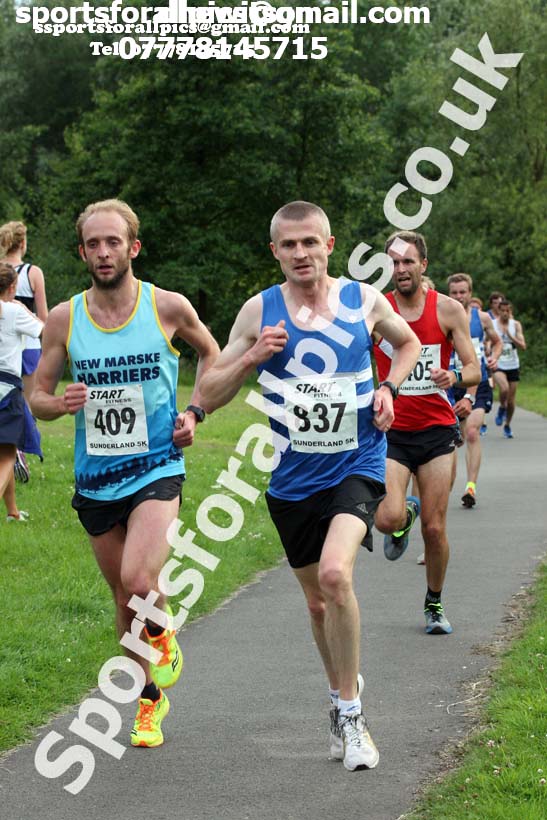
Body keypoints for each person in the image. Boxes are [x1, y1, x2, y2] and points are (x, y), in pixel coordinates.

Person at [199, 201, 421, 772]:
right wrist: (252, 356)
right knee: (318, 603)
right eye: (289, 245)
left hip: (359, 463)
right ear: (274, 251)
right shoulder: (259, 311)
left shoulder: (363, 299)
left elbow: (408, 344)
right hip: (293, 480)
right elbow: (211, 388)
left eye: (310, 243)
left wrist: (390, 389)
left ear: (329, 244)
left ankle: (352, 714)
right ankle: (338, 694)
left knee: (334, 574)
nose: (301, 253)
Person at [30, 199, 219, 748]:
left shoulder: (167, 306)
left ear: (133, 247)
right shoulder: (66, 317)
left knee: (140, 583)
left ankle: (165, 635)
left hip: (157, 466)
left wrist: (194, 412)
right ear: (82, 252)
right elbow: (35, 395)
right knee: (122, 597)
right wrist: (57, 403)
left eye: (113, 242)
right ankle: (148, 702)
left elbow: (213, 355)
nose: (104, 252)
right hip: (95, 478)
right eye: (93, 243)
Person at [373, 231, 480, 636]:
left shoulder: (449, 311)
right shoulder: (376, 310)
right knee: (385, 518)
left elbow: (473, 369)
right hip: (392, 432)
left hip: (436, 431)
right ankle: (405, 515)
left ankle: (434, 602)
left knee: (435, 529)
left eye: (407, 262)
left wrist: (454, 375)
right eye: (394, 263)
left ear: (423, 266)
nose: (401, 270)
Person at [446, 273, 502, 507]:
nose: (459, 296)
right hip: (450, 385)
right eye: (454, 292)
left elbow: (497, 342)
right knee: (451, 439)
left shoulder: (482, 318)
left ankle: (471, 487)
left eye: (463, 292)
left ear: (470, 293)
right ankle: (443, 488)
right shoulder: (443, 315)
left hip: (477, 383)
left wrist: (494, 358)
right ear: (449, 294)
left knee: (471, 432)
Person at [0, 263, 43, 522]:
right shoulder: (14, 311)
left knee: (3, 451)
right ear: (13, 287)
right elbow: (42, 330)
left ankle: (13, 512)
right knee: (7, 455)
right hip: (7, 389)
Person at [0, 221, 48, 397]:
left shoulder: (1, 270)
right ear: (22, 243)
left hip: (3, 345)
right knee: (27, 406)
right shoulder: (32, 272)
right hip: (29, 344)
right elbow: (44, 317)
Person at [492, 299, 526, 438]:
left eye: (508, 311)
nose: (505, 313)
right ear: (498, 311)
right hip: (498, 364)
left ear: (510, 311)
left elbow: (523, 346)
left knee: (511, 402)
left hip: (513, 365)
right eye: (503, 311)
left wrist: (510, 336)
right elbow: (487, 341)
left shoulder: (516, 325)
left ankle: (507, 425)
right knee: (504, 388)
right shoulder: (493, 324)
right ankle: (501, 407)